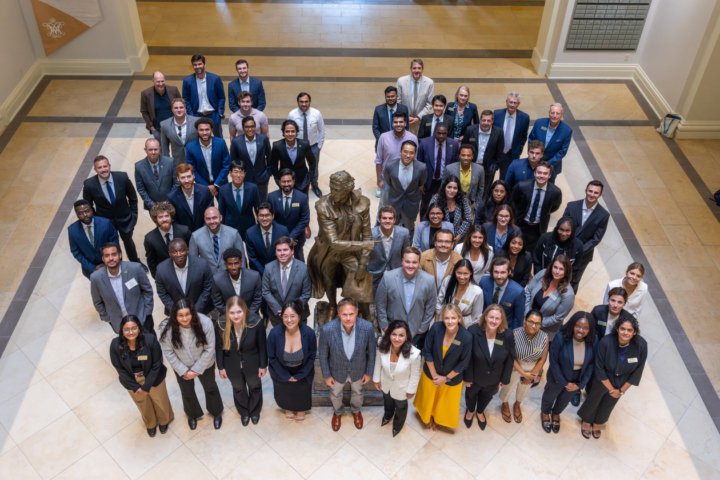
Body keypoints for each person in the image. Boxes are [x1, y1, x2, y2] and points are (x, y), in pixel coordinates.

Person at [578, 315, 647, 439]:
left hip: (622, 381)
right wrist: (611, 389)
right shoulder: (606, 342)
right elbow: (599, 367)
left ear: (634, 332)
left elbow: (638, 371)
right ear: (617, 329)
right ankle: (587, 420)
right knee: (594, 398)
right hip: (603, 379)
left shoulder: (641, 345)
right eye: (622, 329)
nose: (625, 332)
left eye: (629, 330)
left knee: (609, 402)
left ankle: (597, 421)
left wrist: (621, 391)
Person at [159, 298, 223, 430]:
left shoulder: (205, 322)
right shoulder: (166, 328)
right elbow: (169, 353)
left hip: (205, 364)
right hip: (182, 366)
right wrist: (184, 371)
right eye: (180, 315)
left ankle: (216, 412)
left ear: (192, 312)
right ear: (174, 315)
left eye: (187, 314)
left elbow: (210, 348)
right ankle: (192, 414)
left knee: (210, 387)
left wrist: (197, 369)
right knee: (187, 391)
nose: (184, 318)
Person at [109, 315, 173, 437]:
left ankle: (164, 420)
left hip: (153, 376)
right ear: (122, 330)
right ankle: (151, 423)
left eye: (134, 328)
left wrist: (146, 386)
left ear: (139, 328)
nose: (130, 332)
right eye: (126, 329)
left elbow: (156, 364)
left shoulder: (150, 340)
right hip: (131, 380)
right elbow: (120, 369)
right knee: (143, 403)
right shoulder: (115, 345)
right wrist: (135, 387)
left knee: (160, 399)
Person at [318, 298, 377, 431]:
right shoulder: (327, 329)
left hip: (359, 370)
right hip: (336, 371)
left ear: (357, 312)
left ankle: (356, 411)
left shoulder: (367, 327)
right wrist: (327, 375)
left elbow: (372, 352)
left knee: (358, 392)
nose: (348, 318)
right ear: (338, 313)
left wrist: (368, 372)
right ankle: (337, 412)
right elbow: (322, 355)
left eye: (351, 314)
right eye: (344, 314)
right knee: (335, 394)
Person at [414, 303, 471, 430]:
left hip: (451, 378)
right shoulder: (436, 328)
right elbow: (427, 351)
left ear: (459, 318)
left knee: (443, 402)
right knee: (428, 397)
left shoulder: (466, 337)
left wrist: (445, 379)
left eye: (453, 318)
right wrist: (435, 375)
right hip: (431, 373)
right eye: (446, 318)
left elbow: (463, 363)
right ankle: (427, 415)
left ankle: (438, 418)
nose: (450, 321)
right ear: (442, 318)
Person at [541, 311, 596, 434]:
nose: (581, 331)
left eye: (585, 328)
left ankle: (556, 414)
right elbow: (553, 362)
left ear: (590, 329)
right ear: (572, 325)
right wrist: (564, 383)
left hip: (577, 378)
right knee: (549, 396)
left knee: (564, 400)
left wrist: (580, 385)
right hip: (558, 376)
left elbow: (591, 364)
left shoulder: (593, 340)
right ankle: (545, 413)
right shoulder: (560, 337)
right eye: (578, 326)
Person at [83, 156, 143, 267]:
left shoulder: (122, 177)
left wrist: (133, 215)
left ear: (109, 166)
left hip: (125, 219)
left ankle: (135, 262)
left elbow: (133, 197)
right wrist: (97, 222)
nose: (103, 169)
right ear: (95, 169)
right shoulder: (89, 184)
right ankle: (119, 266)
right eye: (99, 167)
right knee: (113, 245)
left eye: (105, 166)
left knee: (128, 241)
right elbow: (88, 207)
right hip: (106, 223)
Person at [215, 296, 267, 426]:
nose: (236, 316)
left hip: (252, 362)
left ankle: (254, 411)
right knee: (238, 388)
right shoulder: (221, 324)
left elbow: (262, 346)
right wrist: (220, 367)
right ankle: (244, 412)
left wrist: (263, 365)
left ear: (244, 310)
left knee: (255, 387)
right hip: (231, 363)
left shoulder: (256, 322)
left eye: (239, 312)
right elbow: (219, 347)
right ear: (227, 312)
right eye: (232, 312)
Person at [463, 304, 514, 430]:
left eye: (497, 318)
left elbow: (510, 358)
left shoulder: (507, 335)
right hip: (474, 377)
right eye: (491, 317)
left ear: (501, 320)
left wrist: (505, 378)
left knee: (486, 397)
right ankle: (470, 411)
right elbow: (467, 357)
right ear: (485, 317)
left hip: (494, 378)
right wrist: (467, 377)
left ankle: (480, 411)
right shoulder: (473, 331)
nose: (494, 321)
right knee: (471, 395)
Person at [375, 247, 437, 346]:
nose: (411, 265)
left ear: (419, 262)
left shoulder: (429, 280)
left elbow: (431, 306)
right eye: (407, 262)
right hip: (392, 330)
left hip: (416, 331)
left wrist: (423, 327)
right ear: (402, 261)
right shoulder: (388, 278)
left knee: (412, 359)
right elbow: (380, 303)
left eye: (414, 262)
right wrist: (385, 325)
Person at [267, 300, 317, 422]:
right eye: (286, 316)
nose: (289, 320)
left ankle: (301, 409)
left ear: (299, 316)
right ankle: (287, 407)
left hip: (302, 369)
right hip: (281, 369)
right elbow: (272, 357)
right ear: (281, 316)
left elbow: (312, 356)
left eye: (293, 316)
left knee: (302, 390)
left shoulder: (309, 333)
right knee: (284, 390)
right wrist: (285, 375)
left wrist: (300, 374)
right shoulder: (274, 333)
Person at [90, 243, 154, 334]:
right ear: (103, 259)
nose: (111, 258)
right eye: (107, 256)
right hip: (119, 324)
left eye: (114, 254)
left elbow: (147, 290)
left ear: (120, 255)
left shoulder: (135, 268)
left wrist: (147, 311)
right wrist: (107, 318)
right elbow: (97, 302)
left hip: (142, 318)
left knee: (150, 342)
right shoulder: (96, 278)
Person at [373, 319, 422, 437]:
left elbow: (415, 374)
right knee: (388, 402)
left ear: (406, 336)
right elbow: (377, 363)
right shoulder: (382, 345)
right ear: (389, 334)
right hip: (385, 383)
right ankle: (387, 416)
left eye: (401, 335)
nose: (397, 338)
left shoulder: (414, 354)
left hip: (402, 387)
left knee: (401, 407)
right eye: (394, 334)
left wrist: (411, 390)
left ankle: (398, 425)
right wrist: (376, 379)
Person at [499, 309, 548, 423]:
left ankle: (517, 404)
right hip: (514, 366)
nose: (533, 326)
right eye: (531, 321)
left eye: (537, 323)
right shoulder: (514, 334)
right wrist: (522, 373)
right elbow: (511, 357)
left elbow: (543, 358)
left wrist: (531, 375)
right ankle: (505, 404)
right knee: (508, 387)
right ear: (525, 320)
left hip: (532, 369)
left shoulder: (544, 337)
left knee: (524, 389)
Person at [564, 180, 610, 292]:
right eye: (590, 191)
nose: (592, 194)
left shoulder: (604, 215)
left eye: (595, 192)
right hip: (564, 248)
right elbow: (562, 227)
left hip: (583, 255)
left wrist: (578, 251)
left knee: (573, 281)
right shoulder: (572, 206)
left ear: (600, 195)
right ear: (586, 190)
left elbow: (596, 239)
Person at [511, 161, 562, 254]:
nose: (541, 176)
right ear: (534, 173)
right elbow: (514, 201)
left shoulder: (556, 192)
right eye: (539, 172)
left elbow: (554, 207)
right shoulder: (522, 186)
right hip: (520, 223)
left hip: (538, 228)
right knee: (514, 249)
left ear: (550, 175)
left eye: (545, 173)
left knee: (530, 253)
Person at [262, 237, 312, 327]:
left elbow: (306, 293)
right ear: (275, 252)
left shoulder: (303, 268)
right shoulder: (268, 268)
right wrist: (279, 310)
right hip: (277, 316)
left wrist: (292, 309)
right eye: (279, 250)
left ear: (292, 251)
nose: (282, 253)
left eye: (285, 250)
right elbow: (266, 292)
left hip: (298, 315)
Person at [155, 239, 214, 316]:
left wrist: (196, 310)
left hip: (201, 311)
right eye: (174, 251)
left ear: (187, 250)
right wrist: (177, 312)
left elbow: (208, 288)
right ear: (169, 253)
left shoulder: (202, 264)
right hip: (176, 314)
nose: (178, 254)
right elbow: (162, 294)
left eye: (182, 251)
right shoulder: (161, 269)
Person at [524, 255, 576, 341]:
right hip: (527, 319)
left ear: (566, 272)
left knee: (536, 352)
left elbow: (557, 317)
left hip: (545, 329)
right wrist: (527, 316)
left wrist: (535, 323)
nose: (557, 272)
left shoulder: (568, 295)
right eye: (555, 267)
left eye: (561, 269)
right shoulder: (543, 274)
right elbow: (528, 291)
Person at [384, 140, 427, 238]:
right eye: (405, 152)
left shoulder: (421, 167)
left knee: (409, 228)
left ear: (415, 154)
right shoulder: (390, 165)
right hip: (394, 201)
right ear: (400, 152)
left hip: (411, 203)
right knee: (391, 227)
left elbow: (421, 182)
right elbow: (388, 181)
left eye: (411, 153)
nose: (408, 155)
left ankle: (408, 248)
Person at [417, 122, 459, 220]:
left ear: (447, 133)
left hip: (444, 182)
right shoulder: (424, 143)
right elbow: (419, 164)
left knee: (443, 205)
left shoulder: (454, 144)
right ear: (434, 132)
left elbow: (456, 164)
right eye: (438, 133)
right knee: (425, 205)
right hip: (428, 181)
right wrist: (420, 183)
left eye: (444, 133)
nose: (441, 136)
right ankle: (423, 225)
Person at [287, 93, 325, 198]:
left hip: (313, 146)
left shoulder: (316, 114)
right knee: (296, 167)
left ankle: (314, 185)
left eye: (306, 101)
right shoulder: (292, 114)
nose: (304, 104)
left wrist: (319, 146)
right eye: (301, 102)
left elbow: (321, 130)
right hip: (297, 147)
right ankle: (298, 186)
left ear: (310, 102)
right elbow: (288, 130)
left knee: (314, 167)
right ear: (298, 102)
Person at [68, 199, 118, 279]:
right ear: (77, 215)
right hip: (91, 270)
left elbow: (114, 244)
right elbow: (76, 252)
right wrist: (93, 268)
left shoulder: (105, 223)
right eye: (81, 213)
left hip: (111, 264)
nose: (85, 215)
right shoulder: (72, 230)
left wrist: (106, 264)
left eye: (87, 211)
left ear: (91, 210)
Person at [367, 206, 411, 297]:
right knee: (374, 306)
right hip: (374, 277)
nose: (387, 221)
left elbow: (406, 255)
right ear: (379, 219)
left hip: (396, 276)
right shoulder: (370, 234)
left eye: (390, 218)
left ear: (394, 220)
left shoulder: (404, 233)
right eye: (384, 218)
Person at [189, 206, 246, 275]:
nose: (212, 221)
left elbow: (241, 258)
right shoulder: (195, 236)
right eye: (208, 219)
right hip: (208, 278)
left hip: (230, 276)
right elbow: (193, 262)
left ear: (220, 218)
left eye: (214, 218)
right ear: (204, 220)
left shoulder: (233, 234)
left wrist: (241, 277)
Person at [375, 112, 419, 201]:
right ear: (392, 123)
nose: (398, 124)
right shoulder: (383, 137)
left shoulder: (413, 138)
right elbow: (379, 160)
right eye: (395, 122)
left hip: (405, 179)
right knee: (385, 204)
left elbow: (415, 161)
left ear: (405, 123)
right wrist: (379, 180)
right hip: (387, 179)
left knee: (401, 204)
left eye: (401, 122)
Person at [268, 169, 310, 262]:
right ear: (279, 182)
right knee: (279, 259)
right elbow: (270, 218)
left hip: (297, 237)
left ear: (293, 181)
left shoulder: (302, 197)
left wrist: (291, 237)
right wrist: (285, 237)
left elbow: (304, 219)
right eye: (283, 181)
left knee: (299, 259)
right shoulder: (271, 197)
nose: (286, 184)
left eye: (289, 181)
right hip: (278, 236)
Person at [462, 110, 505, 198]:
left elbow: (499, 153)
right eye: (484, 120)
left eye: (488, 120)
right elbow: (463, 147)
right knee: (467, 191)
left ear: (492, 121)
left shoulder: (499, 132)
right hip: (470, 167)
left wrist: (494, 167)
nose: (486, 123)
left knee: (483, 193)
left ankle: (480, 210)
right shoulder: (470, 130)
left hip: (488, 169)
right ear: (480, 120)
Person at [144, 202, 192, 279]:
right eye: (160, 217)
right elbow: (151, 262)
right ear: (155, 219)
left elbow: (192, 252)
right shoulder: (150, 239)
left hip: (186, 271)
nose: (164, 219)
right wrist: (158, 279)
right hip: (166, 275)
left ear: (171, 217)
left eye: (167, 216)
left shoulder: (184, 231)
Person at [229, 116, 272, 202]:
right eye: (247, 127)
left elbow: (269, 156)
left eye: (252, 126)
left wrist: (268, 173)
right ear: (243, 128)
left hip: (261, 177)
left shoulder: (263, 139)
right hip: (244, 177)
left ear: (255, 127)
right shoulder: (236, 141)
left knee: (262, 202)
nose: (250, 129)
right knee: (246, 202)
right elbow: (233, 161)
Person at [182, 54, 225, 138]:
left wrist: (220, 112)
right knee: (198, 138)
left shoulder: (215, 78)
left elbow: (221, 97)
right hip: (197, 115)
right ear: (192, 66)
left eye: (200, 64)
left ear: (204, 64)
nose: (198, 66)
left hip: (213, 114)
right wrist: (191, 114)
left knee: (218, 137)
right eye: (195, 64)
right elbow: (185, 99)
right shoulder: (187, 81)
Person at [185, 118, 231, 197]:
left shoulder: (221, 143)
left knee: (225, 209)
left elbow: (226, 166)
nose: (204, 133)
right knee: (206, 209)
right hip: (202, 186)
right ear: (197, 130)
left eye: (207, 130)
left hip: (221, 183)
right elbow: (193, 170)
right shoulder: (190, 147)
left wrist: (216, 185)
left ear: (212, 129)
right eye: (201, 130)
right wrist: (207, 187)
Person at [528, 103, 573, 183]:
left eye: (557, 113)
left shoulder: (567, 131)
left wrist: (548, 163)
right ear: (549, 113)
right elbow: (531, 139)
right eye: (552, 113)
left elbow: (563, 151)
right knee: (530, 181)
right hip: (535, 159)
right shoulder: (539, 123)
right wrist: (533, 155)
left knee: (548, 186)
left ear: (561, 115)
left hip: (552, 163)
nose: (554, 116)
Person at [271, 119, 317, 196]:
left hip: (302, 182)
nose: (290, 134)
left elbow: (312, 162)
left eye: (293, 131)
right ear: (283, 132)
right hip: (285, 183)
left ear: (296, 132)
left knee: (302, 204)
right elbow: (273, 164)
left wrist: (309, 179)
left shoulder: (304, 144)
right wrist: (278, 180)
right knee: (287, 204)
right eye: (287, 131)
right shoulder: (277, 146)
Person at [217, 160, 260, 241]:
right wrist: (221, 230)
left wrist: (259, 226)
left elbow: (258, 209)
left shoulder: (253, 188)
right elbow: (221, 211)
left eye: (241, 172)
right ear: (230, 173)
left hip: (249, 225)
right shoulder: (223, 189)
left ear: (245, 174)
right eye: (235, 172)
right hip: (231, 226)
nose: (238, 175)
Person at [212, 248, 262, 315]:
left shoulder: (254, 276)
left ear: (241, 262)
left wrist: (247, 315)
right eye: (230, 264)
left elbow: (258, 299)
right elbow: (218, 303)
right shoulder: (217, 279)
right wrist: (232, 316)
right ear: (225, 264)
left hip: (250, 315)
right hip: (228, 317)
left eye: (236, 263)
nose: (233, 267)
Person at [480, 257, 525, 330]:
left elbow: (518, 320)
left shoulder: (518, 291)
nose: (499, 276)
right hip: (484, 327)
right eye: (496, 272)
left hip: (504, 330)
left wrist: (510, 335)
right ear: (492, 271)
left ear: (509, 272)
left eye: (503, 272)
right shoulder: (483, 282)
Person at [245, 202, 290, 275]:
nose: (264, 218)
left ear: (273, 216)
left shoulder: (283, 231)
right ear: (257, 216)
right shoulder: (250, 233)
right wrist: (265, 273)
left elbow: (287, 253)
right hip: (259, 272)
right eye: (261, 216)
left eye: (267, 215)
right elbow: (252, 258)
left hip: (279, 271)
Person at [166, 164, 214, 233]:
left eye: (189, 176)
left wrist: (203, 231)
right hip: (184, 235)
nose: (186, 180)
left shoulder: (205, 191)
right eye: (183, 177)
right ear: (178, 178)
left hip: (205, 231)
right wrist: (185, 233)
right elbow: (173, 220)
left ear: (193, 176)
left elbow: (210, 212)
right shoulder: (171, 197)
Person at [495, 92, 530, 182]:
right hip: (496, 152)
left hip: (510, 154)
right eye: (510, 102)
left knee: (505, 178)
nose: (512, 105)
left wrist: (519, 150)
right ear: (506, 102)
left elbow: (523, 136)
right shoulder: (496, 114)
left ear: (518, 104)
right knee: (489, 175)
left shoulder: (524, 117)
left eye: (515, 103)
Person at [134, 138, 179, 210]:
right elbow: (141, 189)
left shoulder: (170, 162)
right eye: (150, 150)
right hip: (153, 207)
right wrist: (153, 206)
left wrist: (168, 201)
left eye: (155, 149)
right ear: (145, 150)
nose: (153, 152)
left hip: (171, 203)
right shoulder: (139, 166)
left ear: (159, 149)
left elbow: (176, 183)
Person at [436, 259, 484, 326]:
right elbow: (439, 303)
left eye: (465, 274)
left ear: (471, 273)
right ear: (455, 271)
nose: (462, 277)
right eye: (459, 273)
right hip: (445, 320)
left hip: (464, 324)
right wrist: (436, 322)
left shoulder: (477, 292)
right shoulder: (447, 281)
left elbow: (476, 317)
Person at [397, 59, 434, 135]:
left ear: (422, 69)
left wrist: (418, 118)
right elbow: (398, 101)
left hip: (420, 121)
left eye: (419, 68)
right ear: (411, 69)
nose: (416, 71)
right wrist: (406, 116)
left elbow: (429, 104)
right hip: (405, 121)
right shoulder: (401, 81)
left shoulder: (429, 83)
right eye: (414, 68)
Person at [140, 71, 181, 141]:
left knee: (177, 150)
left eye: (162, 81)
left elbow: (181, 105)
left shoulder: (173, 90)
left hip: (174, 127)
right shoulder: (145, 94)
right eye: (158, 82)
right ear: (153, 81)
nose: (161, 84)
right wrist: (152, 128)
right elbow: (144, 112)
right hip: (158, 129)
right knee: (162, 151)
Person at [431, 175, 472, 244]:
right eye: (449, 187)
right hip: (439, 236)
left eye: (455, 188)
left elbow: (468, 219)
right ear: (444, 187)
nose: (452, 190)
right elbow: (431, 216)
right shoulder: (436, 198)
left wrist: (458, 237)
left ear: (458, 189)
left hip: (458, 238)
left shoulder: (463, 199)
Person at [160, 98, 199, 168]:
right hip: (178, 161)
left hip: (196, 159)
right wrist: (167, 164)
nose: (179, 110)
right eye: (176, 108)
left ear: (185, 108)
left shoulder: (196, 122)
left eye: (181, 107)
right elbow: (164, 147)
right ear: (172, 109)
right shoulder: (164, 125)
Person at [372, 86, 410, 152]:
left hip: (400, 142)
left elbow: (406, 126)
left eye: (392, 96)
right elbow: (375, 128)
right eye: (388, 96)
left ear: (397, 96)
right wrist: (382, 140)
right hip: (383, 143)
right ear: (385, 97)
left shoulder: (404, 109)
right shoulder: (378, 109)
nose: (390, 98)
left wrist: (399, 139)